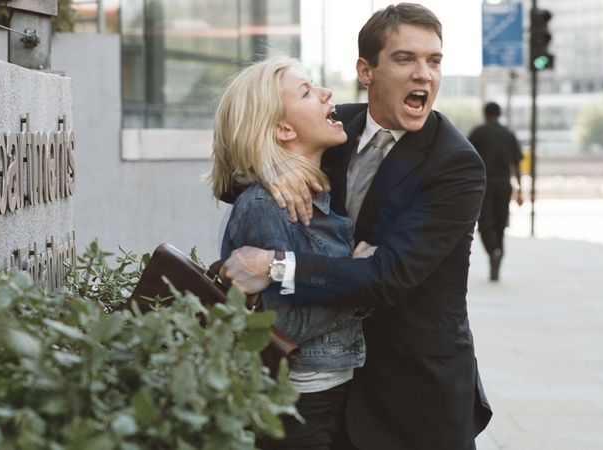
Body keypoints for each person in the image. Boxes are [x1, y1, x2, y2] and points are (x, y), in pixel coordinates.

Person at [218, 4, 492, 449]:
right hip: (327, 389)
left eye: (434, 60)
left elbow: (389, 277)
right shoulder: (332, 126)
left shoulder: (455, 164)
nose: (423, 74)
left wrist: (275, 265)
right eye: (405, 59)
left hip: (414, 395)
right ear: (367, 71)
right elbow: (246, 154)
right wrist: (272, 168)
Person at [210, 56, 374, 449]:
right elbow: (277, 327)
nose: (327, 94)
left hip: (328, 394)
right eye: (307, 92)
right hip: (296, 404)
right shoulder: (267, 207)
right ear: (284, 129)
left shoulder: (307, 193)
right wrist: (358, 283)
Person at [468, 101, 524, 281]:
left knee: (485, 223)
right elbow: (516, 164)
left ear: (485, 114)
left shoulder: (478, 133)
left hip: (483, 184)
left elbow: (466, 159)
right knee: (501, 221)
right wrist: (520, 190)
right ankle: (498, 251)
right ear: (499, 114)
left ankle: (493, 251)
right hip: (504, 184)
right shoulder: (508, 134)